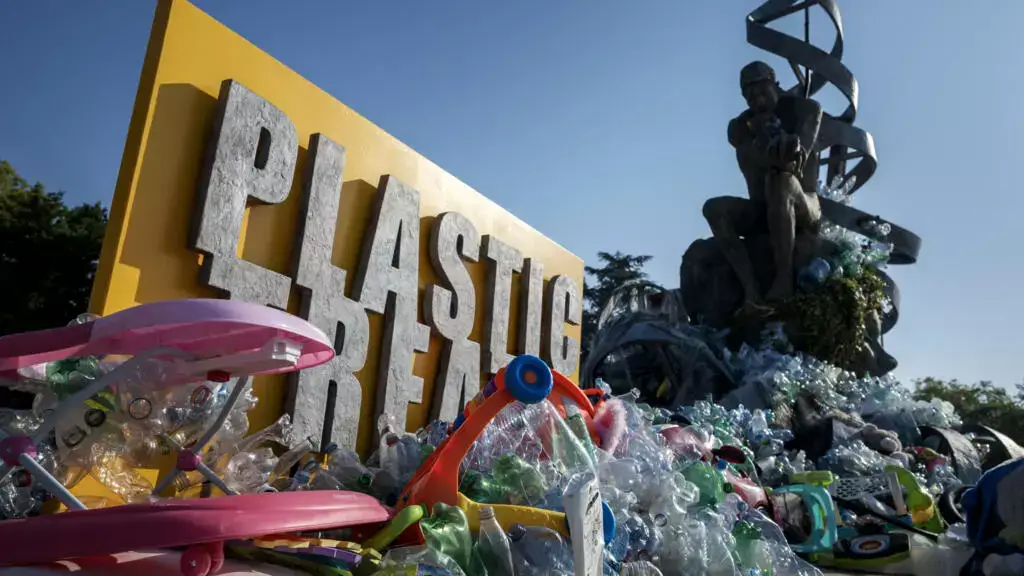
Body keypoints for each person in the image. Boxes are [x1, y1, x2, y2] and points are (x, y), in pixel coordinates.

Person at [702, 61, 823, 312]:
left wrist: (790, 143)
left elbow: (794, 162)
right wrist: (762, 134)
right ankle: (752, 291)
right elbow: (751, 150)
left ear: (775, 85)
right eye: (750, 97)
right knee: (714, 209)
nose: (758, 101)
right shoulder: (740, 127)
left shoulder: (806, 110)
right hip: (762, 208)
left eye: (762, 92)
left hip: (803, 203)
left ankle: (784, 279)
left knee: (781, 181)